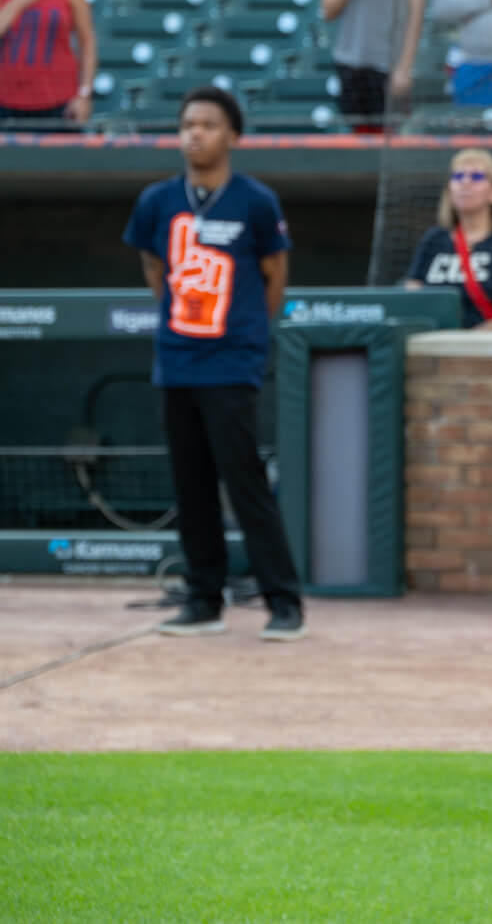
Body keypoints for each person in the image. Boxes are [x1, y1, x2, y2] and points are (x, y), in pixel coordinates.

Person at [123, 87, 303, 642]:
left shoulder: (255, 201)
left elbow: (275, 276)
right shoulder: (157, 200)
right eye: (187, 124)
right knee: (190, 483)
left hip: (232, 360)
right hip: (177, 359)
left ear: (232, 136)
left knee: (243, 479)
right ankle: (204, 600)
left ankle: (284, 602)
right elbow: (155, 266)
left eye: (207, 124)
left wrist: (244, 330)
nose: (194, 133)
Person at [403, 147, 492, 329]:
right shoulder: (434, 239)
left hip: (485, 350)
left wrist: (460, 345)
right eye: (458, 177)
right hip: (432, 346)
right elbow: (410, 304)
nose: (465, 183)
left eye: (476, 177)